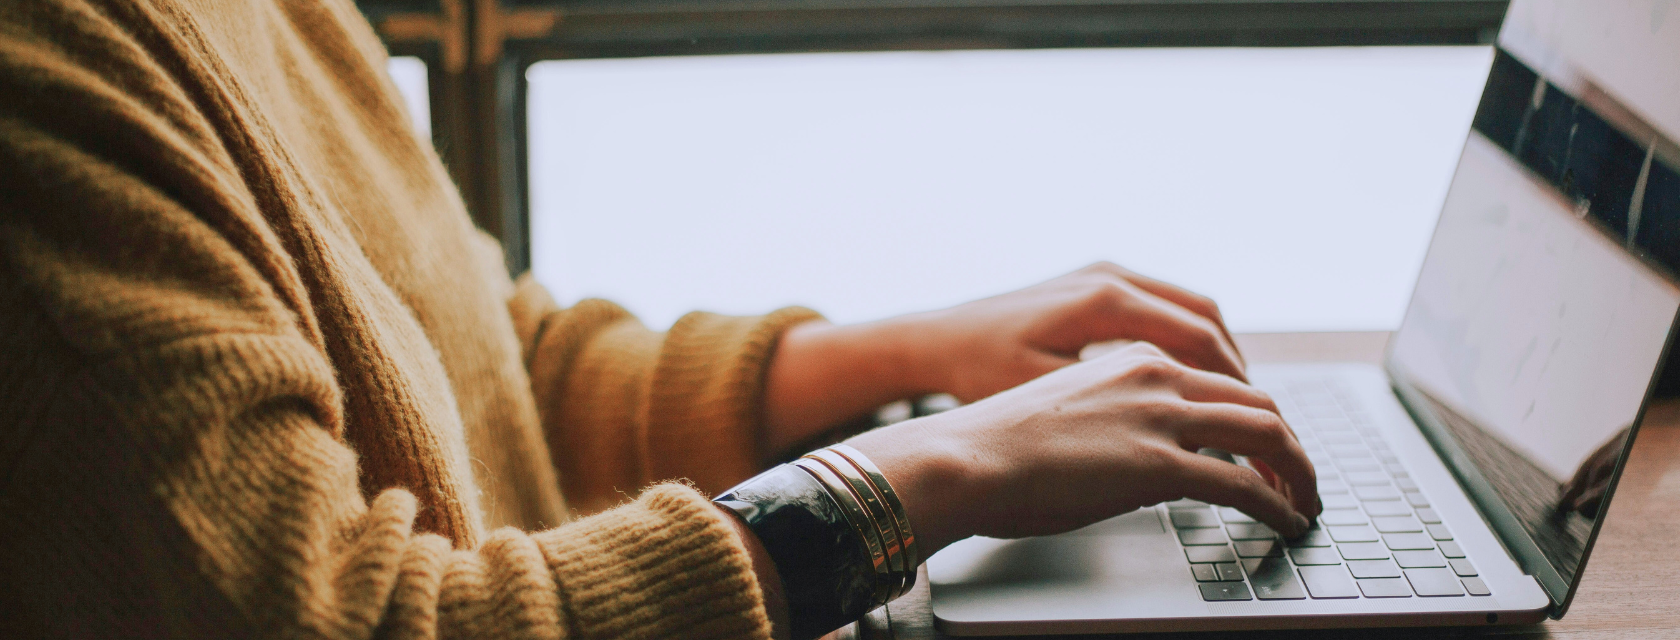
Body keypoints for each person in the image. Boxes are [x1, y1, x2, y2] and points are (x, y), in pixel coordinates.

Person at [0, 1, 1319, 639]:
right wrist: (918, 475)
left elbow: (489, 366)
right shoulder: (42, 82)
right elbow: (359, 620)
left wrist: (909, 356)